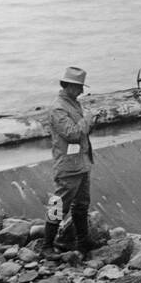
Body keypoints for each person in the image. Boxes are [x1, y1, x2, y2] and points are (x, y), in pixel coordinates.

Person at [44, 65, 95, 259]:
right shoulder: (58, 108)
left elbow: (80, 133)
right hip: (68, 167)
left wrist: (88, 123)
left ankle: (83, 241)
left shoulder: (73, 103)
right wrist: (87, 120)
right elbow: (72, 134)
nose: (82, 91)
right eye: (80, 87)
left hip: (81, 163)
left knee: (81, 204)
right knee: (58, 205)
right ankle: (47, 245)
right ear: (70, 86)